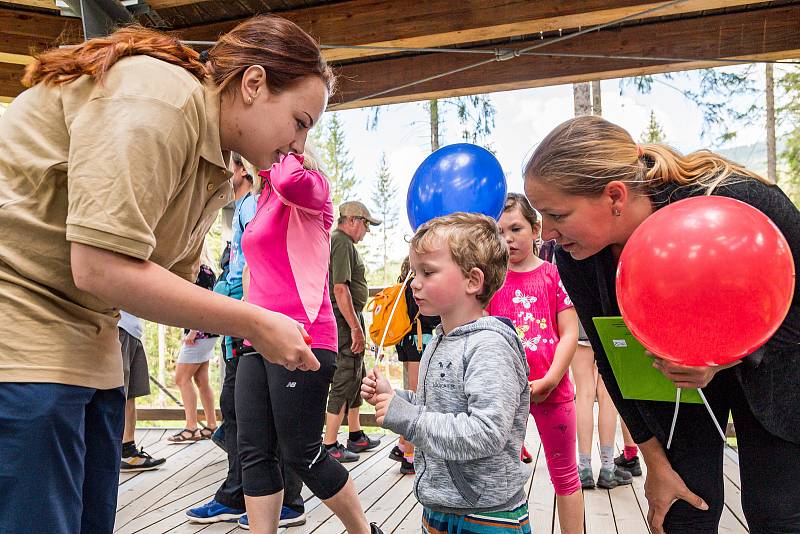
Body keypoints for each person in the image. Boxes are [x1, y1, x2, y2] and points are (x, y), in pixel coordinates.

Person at [0, 16, 328, 533]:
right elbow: (100, 265)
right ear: (254, 83)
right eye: (301, 120)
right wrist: (255, 322)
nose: (299, 145)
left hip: (90, 342)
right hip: (20, 333)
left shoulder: (216, 166)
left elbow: (157, 278)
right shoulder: (159, 98)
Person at [523, 115, 800, 534]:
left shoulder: (740, 200)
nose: (547, 232)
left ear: (614, 195)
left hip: (776, 372)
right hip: (673, 390)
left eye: (556, 213)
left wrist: (724, 359)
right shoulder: (575, 257)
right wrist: (653, 461)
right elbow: (609, 358)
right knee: (682, 509)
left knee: (776, 513)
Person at [235, 153, 381, 534]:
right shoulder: (263, 196)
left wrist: (279, 151)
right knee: (253, 452)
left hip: (305, 335)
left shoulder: (310, 187)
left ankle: (363, 531)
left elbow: (289, 181)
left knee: (302, 452)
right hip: (258, 338)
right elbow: (253, 265)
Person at [362, 212, 532, 534]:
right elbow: (438, 405)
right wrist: (395, 397)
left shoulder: (489, 347)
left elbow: (486, 432)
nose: (414, 282)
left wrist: (408, 418)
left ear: (473, 280)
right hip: (439, 505)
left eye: (428, 272)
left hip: (486, 514)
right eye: (414, 271)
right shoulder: (438, 340)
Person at [188, 155, 305, 526]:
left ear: (241, 170)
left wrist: (231, 309)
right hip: (238, 323)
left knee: (256, 412)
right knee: (239, 409)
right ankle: (240, 491)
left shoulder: (255, 204)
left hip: (250, 321)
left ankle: (273, 496)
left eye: (227, 163)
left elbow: (254, 268)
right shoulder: (238, 209)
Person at [486, 193, 583, 533]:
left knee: (566, 475)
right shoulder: (489, 282)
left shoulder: (554, 276)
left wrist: (552, 380)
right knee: (500, 477)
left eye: (516, 228)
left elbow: (569, 333)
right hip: (503, 400)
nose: (508, 239)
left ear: (535, 228)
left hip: (553, 392)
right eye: (499, 232)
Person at [323, 201, 383, 462]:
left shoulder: (344, 243)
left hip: (350, 316)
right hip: (343, 318)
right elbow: (340, 288)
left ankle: (356, 435)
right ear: (352, 221)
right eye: (366, 224)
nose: (367, 230)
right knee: (344, 374)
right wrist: (355, 328)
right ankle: (329, 444)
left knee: (356, 374)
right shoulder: (341, 241)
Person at [389, 257, 440, 475]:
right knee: (418, 395)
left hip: (409, 344)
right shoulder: (420, 289)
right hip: (422, 342)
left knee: (413, 391)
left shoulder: (405, 286)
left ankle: (403, 446)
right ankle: (408, 454)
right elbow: (429, 318)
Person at [169, 263, 219, 443]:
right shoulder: (207, 270)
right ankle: (211, 425)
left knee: (181, 378)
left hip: (199, 332)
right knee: (201, 379)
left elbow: (203, 302)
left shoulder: (200, 271)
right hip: (205, 331)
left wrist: (193, 330)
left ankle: (191, 427)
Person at [118, 310, 166, 471]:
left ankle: (128, 451)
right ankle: (115, 450)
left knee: (130, 394)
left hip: (132, 330)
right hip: (118, 325)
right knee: (117, 392)